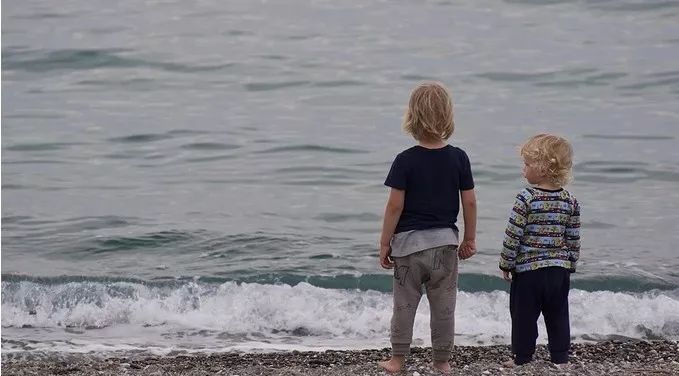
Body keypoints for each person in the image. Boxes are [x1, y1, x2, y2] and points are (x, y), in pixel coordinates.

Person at [377, 82, 477, 374]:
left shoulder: (405, 160)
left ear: (412, 117)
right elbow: (469, 202)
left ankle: (397, 360)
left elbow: (394, 206)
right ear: (448, 117)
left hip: (408, 247)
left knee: (404, 305)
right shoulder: (459, 158)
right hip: (445, 244)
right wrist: (469, 238)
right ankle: (442, 362)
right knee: (444, 306)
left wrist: (385, 243)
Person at [499, 134, 581, 366]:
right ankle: (560, 356)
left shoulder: (526, 198)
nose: (523, 169)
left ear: (543, 168)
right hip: (558, 271)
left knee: (524, 316)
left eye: (527, 164)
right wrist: (571, 263)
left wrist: (506, 263)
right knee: (558, 314)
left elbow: (513, 234)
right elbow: (573, 237)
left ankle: (523, 357)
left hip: (528, 272)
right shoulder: (569, 200)